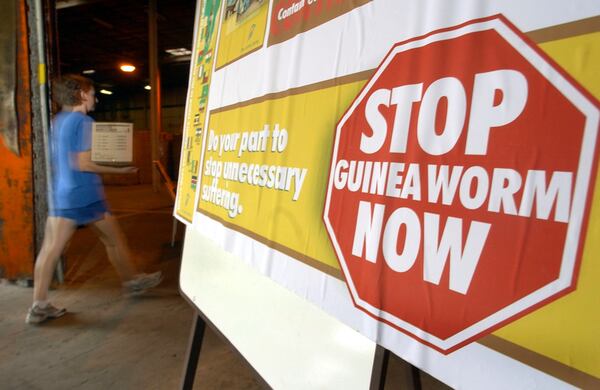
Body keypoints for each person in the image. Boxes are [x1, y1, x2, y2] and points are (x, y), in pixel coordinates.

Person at [26, 74, 162, 324]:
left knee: (62, 247)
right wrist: (120, 170)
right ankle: (40, 306)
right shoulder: (83, 121)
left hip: (65, 193)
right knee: (104, 241)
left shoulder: (58, 120)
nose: (94, 97)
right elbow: (83, 162)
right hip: (82, 194)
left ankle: (131, 280)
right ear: (81, 95)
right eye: (92, 92)